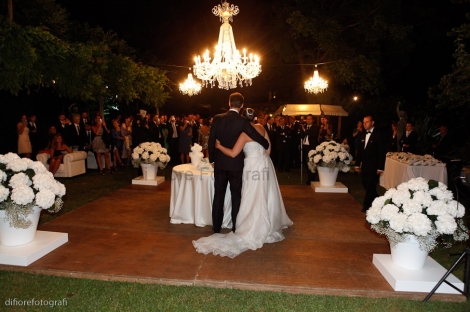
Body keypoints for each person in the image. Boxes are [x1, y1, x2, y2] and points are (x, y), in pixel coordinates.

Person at [193, 108, 292, 258]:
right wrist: (260, 158)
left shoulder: (245, 134)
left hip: (251, 166)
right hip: (265, 164)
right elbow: (268, 150)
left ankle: (251, 224)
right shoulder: (262, 128)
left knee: (251, 195)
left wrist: (219, 146)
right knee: (266, 193)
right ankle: (269, 221)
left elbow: (233, 153)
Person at [207, 92, 269, 234]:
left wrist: (213, 160)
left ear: (229, 103)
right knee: (236, 196)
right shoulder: (243, 121)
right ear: (241, 105)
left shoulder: (217, 118)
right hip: (236, 165)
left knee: (218, 195)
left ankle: (216, 228)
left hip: (220, 164)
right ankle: (236, 227)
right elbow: (257, 138)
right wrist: (265, 143)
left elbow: (211, 140)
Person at [354, 115, 386, 213]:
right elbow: (359, 151)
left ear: (372, 123)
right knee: (366, 185)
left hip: (374, 166)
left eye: (367, 122)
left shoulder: (378, 135)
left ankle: (366, 205)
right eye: (363, 122)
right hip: (365, 166)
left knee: (370, 186)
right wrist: (356, 164)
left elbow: (381, 152)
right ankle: (380, 201)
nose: (364, 124)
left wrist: (380, 167)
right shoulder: (362, 135)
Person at [301, 114, 320, 184]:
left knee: (312, 162)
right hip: (305, 146)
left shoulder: (315, 127)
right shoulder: (304, 127)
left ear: (313, 120)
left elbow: (313, 135)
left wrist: (305, 130)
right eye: (307, 119)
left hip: (311, 147)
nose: (308, 120)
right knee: (306, 163)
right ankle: (309, 177)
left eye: (310, 119)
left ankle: (312, 178)